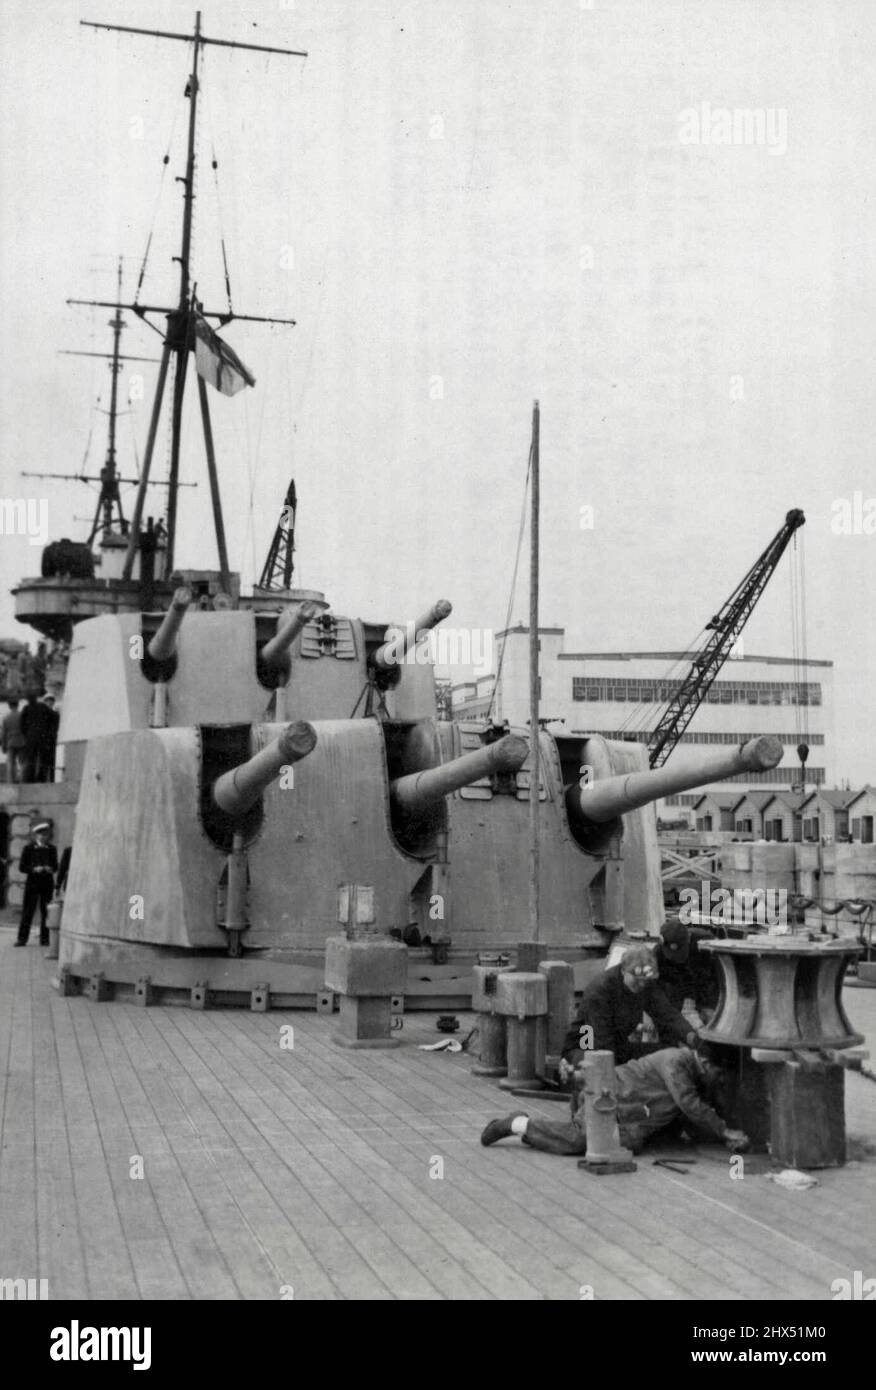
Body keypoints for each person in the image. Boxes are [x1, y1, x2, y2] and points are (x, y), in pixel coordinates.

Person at [481, 1044, 751, 1156]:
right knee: (580, 1140)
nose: (720, 1081)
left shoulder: (693, 1072)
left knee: (610, 1145)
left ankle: (532, 1131)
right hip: (609, 1099)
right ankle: (517, 1124)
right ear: (704, 1063)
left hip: (625, 1115)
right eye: (719, 1074)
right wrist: (725, 1130)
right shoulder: (677, 1061)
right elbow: (688, 1104)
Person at [559, 944, 697, 1071]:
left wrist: (691, 1036)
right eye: (637, 980)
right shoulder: (600, 991)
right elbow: (602, 1043)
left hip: (618, 1047)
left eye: (645, 980)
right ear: (623, 970)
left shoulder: (644, 984)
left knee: (668, 1052)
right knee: (603, 1067)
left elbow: (668, 1014)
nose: (642, 985)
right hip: (586, 1048)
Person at [654, 921, 720, 1022]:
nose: (676, 958)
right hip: (678, 987)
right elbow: (652, 985)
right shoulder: (658, 953)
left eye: (680, 952)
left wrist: (711, 1006)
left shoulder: (707, 944)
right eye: (671, 954)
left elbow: (721, 977)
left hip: (705, 987)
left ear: (688, 939)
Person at [15, 821, 59, 946]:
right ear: (36, 836)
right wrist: (34, 869)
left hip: (47, 884)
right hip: (32, 884)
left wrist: (50, 869)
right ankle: (22, 939)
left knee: (46, 912)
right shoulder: (28, 848)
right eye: (41, 835)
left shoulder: (52, 849)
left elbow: (55, 866)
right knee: (28, 911)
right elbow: (22, 867)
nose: (43, 837)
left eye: (46, 835)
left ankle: (44, 939)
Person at [20, 693, 55, 782]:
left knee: (31, 758)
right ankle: (41, 779)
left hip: (31, 738)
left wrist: (26, 734)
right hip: (43, 738)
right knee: (42, 758)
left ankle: (29, 779)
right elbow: (52, 721)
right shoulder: (44, 708)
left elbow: (21, 724)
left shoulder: (26, 708)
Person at [1, 698, 26, 783]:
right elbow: (26, 729)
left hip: (10, 742)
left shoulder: (6, 718)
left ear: (9, 706)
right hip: (21, 741)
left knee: (10, 763)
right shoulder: (22, 715)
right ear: (18, 705)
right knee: (22, 762)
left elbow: (4, 733)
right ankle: (22, 781)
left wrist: (3, 746)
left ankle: (10, 781)